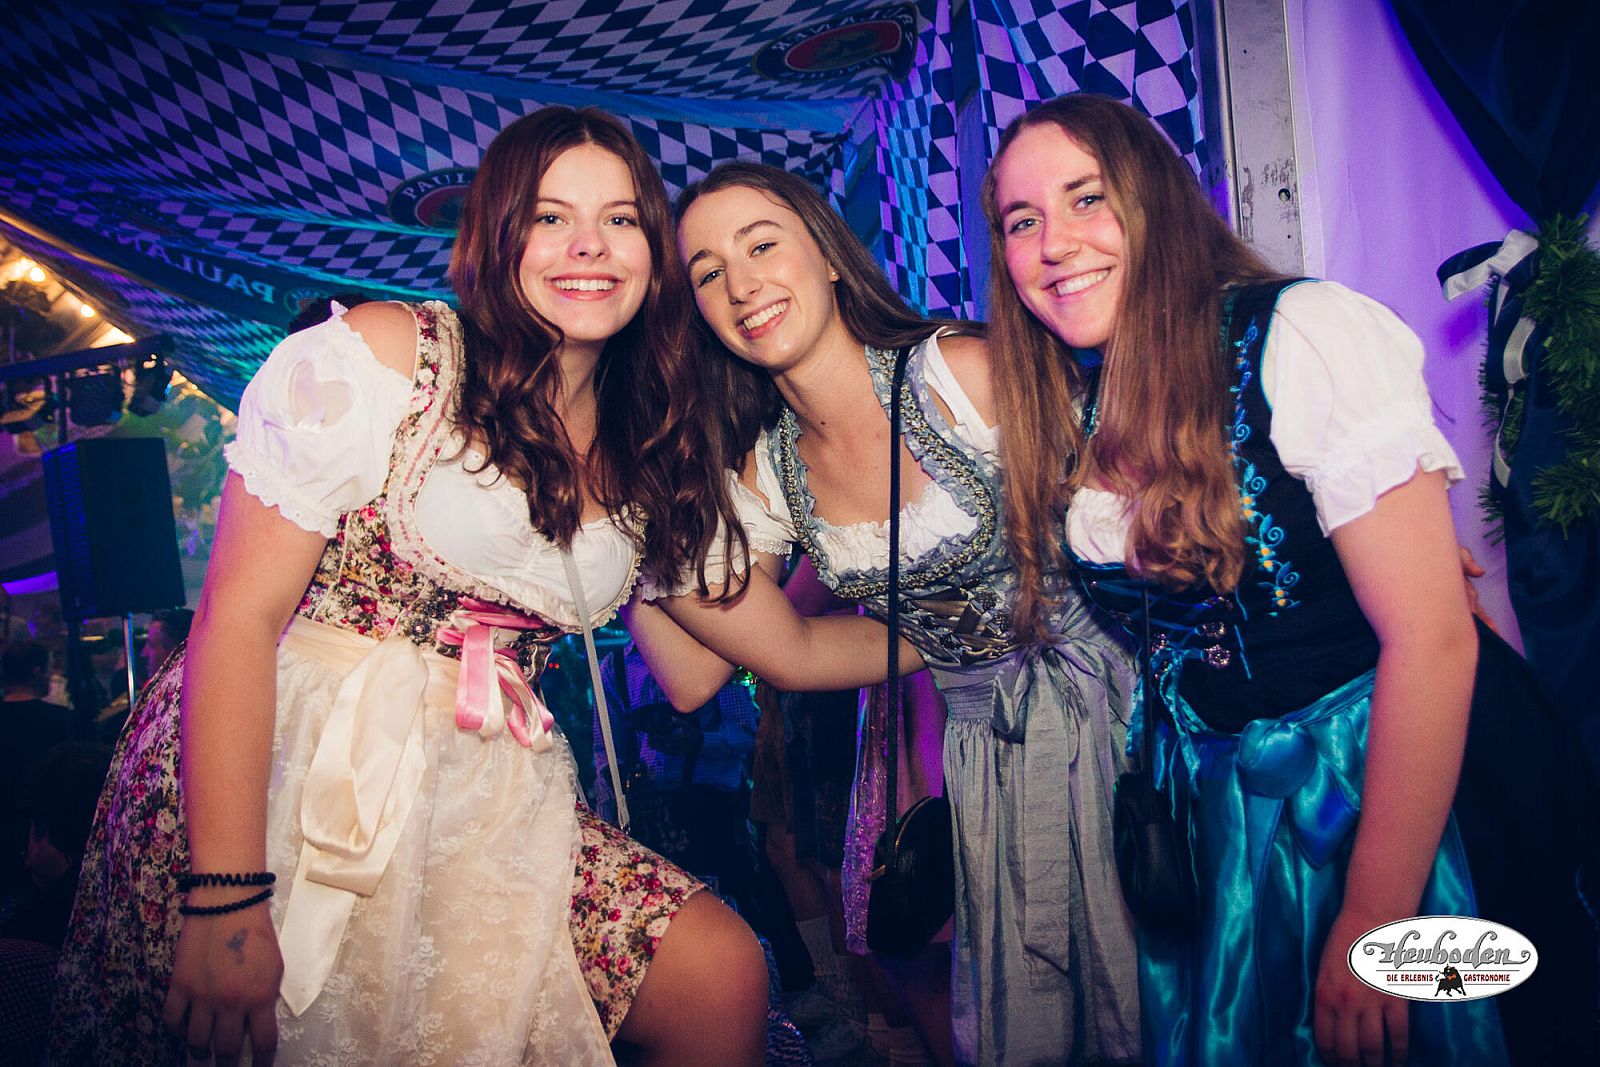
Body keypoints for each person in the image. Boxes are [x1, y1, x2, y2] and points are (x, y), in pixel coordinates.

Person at [48, 106, 907, 1066]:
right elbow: (238, 617)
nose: (589, 245)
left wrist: (961, 620)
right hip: (287, 773)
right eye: (551, 217)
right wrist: (226, 893)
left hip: (486, 792)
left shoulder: (643, 448)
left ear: (654, 257)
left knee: (720, 973)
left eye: (621, 219)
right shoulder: (388, 354)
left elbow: (711, 670)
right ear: (498, 235)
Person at [985, 93, 1597, 1065]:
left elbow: (1432, 639)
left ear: (1153, 201)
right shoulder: (1075, 405)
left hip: (1389, 791)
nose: (1055, 243)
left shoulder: (1299, 332)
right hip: (1224, 815)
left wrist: (1373, 915)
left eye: (1086, 198)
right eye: (1023, 221)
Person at [629, 160, 1142, 1066]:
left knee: (1153, 986)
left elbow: (1150, 510)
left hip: (1119, 714)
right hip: (984, 754)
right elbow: (700, 672)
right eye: (708, 273)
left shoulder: (961, 372)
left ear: (829, 255)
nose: (742, 284)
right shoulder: (768, 471)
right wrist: (613, 513)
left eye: (761, 245)